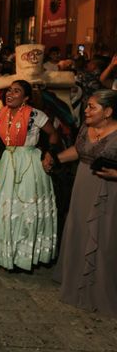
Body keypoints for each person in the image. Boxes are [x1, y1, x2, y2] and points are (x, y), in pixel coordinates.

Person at [0, 80, 59, 271]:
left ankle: (25, 255)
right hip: (9, 159)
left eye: (16, 91)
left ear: (25, 97)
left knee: (26, 207)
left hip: (29, 161)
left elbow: (53, 134)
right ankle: (8, 252)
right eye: (9, 90)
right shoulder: (3, 113)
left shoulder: (35, 114)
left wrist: (50, 153)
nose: (10, 94)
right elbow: (2, 133)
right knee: (7, 205)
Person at [51, 90, 117, 316]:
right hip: (82, 188)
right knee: (79, 230)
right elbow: (78, 152)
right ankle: (75, 280)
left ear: (107, 112)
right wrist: (55, 158)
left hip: (109, 192)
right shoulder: (85, 129)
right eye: (87, 106)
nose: (86, 111)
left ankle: (98, 289)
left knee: (103, 236)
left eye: (92, 107)